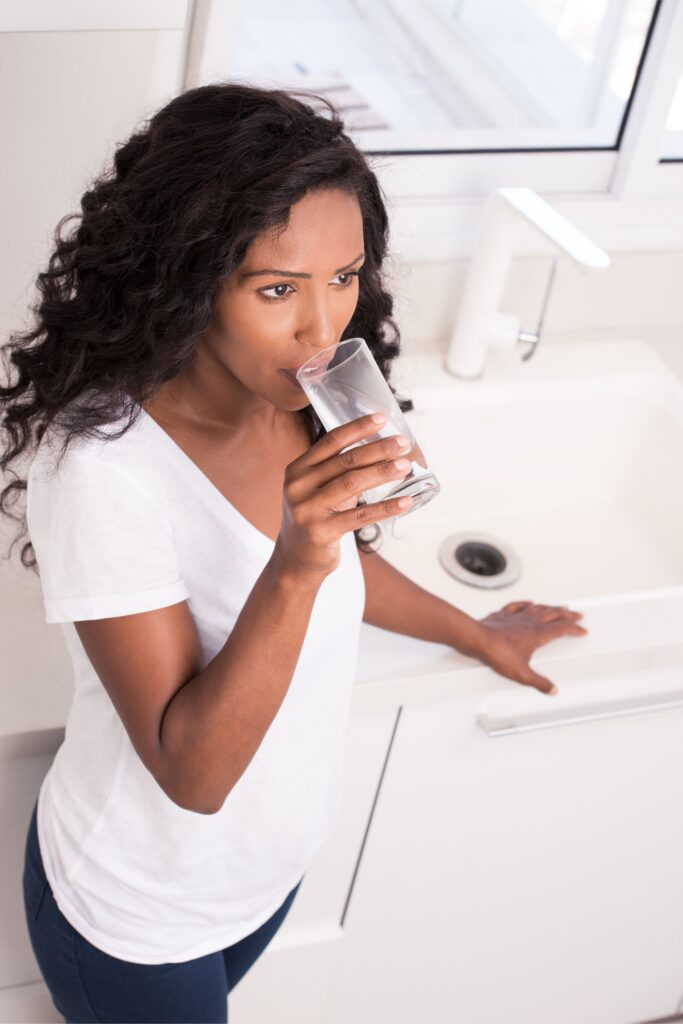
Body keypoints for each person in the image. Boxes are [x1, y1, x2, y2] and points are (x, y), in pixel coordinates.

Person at [0, 82, 588, 1024]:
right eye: (277, 289)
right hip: (140, 917)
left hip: (262, 876)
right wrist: (299, 561)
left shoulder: (295, 401)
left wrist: (473, 632)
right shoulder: (103, 469)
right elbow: (191, 773)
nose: (325, 330)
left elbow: (347, 569)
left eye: (344, 277)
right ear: (185, 275)